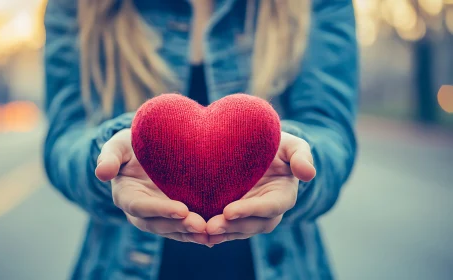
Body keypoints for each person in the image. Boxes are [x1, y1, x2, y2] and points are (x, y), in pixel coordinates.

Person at [43, 0, 358, 279]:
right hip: (119, 264)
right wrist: (108, 160)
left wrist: (295, 163)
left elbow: (330, 131)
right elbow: (64, 139)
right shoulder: (79, 5)